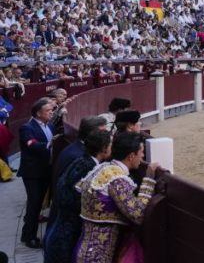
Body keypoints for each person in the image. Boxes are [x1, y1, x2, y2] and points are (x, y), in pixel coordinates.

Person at [74, 132, 159, 263]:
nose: (143, 156)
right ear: (131, 156)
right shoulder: (116, 179)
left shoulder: (103, 168)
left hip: (84, 248)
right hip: (98, 256)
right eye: (141, 152)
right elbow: (138, 215)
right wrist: (148, 180)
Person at [44, 130, 112, 263]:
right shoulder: (90, 168)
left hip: (60, 228)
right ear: (104, 149)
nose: (112, 148)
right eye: (110, 145)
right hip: (68, 234)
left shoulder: (82, 161)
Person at [18, 98, 55, 248]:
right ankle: (30, 237)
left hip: (45, 170)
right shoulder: (27, 127)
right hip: (33, 173)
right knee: (34, 204)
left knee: (37, 204)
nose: (51, 113)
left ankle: (26, 234)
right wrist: (49, 144)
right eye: (48, 111)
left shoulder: (49, 125)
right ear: (38, 113)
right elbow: (30, 144)